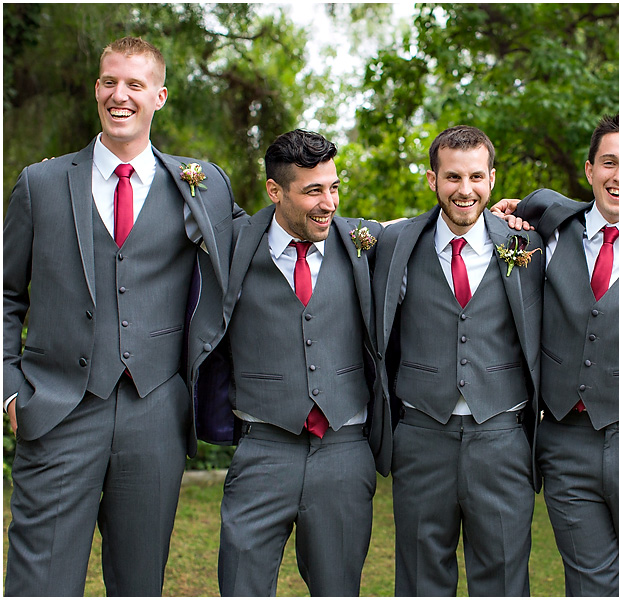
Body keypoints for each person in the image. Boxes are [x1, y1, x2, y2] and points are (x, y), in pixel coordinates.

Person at [3, 36, 243, 595]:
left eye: (135, 84)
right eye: (110, 81)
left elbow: (266, 240)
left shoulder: (199, 186)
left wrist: (473, 225)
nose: (120, 95)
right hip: (58, 407)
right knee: (39, 583)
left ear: (159, 96)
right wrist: (10, 389)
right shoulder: (40, 183)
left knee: (139, 584)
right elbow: (5, 292)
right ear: (96, 90)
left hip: (155, 412)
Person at [492, 113, 619, 596]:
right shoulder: (548, 227)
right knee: (589, 586)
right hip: (564, 441)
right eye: (608, 163)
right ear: (589, 171)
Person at [215, 129, 388, 596]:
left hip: (344, 451)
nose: (328, 202)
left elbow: (435, 228)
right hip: (262, 450)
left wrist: (506, 214)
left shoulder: (364, 243)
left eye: (334, 187)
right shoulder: (234, 244)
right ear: (275, 191)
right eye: (313, 190)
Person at [373, 125, 543, 596]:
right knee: (421, 577)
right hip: (422, 436)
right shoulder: (397, 244)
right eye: (452, 177)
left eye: (475, 177)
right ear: (432, 180)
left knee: (505, 577)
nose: (464, 190)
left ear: (492, 178)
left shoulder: (527, 245)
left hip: (502, 437)